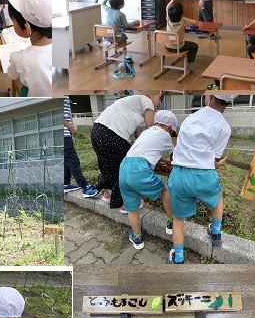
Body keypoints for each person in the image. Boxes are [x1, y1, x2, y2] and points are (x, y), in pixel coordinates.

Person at [168, 94, 233, 264]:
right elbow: (213, 160)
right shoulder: (224, 127)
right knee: (217, 197)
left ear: (209, 97)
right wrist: (220, 164)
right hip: (204, 175)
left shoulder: (191, 118)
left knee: (178, 220)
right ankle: (216, 233)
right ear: (230, 102)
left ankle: (179, 257)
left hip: (180, 174)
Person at [90, 93, 163, 209]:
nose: (160, 103)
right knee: (129, 166)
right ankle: (126, 202)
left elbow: (137, 134)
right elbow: (151, 130)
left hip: (97, 130)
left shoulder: (134, 105)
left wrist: (140, 147)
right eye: (159, 98)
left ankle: (108, 193)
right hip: (112, 133)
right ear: (151, 94)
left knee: (107, 166)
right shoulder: (146, 100)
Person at [119, 109, 178, 250]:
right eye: (172, 133)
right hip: (139, 169)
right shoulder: (165, 135)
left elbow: (146, 152)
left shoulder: (146, 132)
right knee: (165, 188)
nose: (171, 135)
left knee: (132, 209)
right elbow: (174, 157)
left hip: (124, 168)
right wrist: (171, 162)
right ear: (169, 128)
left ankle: (137, 238)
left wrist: (161, 160)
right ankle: (171, 221)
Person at [6, 0, 52, 96]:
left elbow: (12, 74)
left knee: (16, 78)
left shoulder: (19, 59)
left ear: (26, 28)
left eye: (13, 20)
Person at [64, 96, 99, 198]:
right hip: (63, 134)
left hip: (65, 134)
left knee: (67, 160)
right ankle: (85, 188)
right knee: (73, 161)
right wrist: (70, 127)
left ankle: (66, 184)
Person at [166, 0, 198, 72]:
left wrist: (172, 0)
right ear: (181, 13)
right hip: (179, 47)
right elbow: (194, 22)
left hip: (167, 46)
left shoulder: (168, 18)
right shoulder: (183, 20)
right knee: (194, 46)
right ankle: (189, 63)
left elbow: (167, 8)